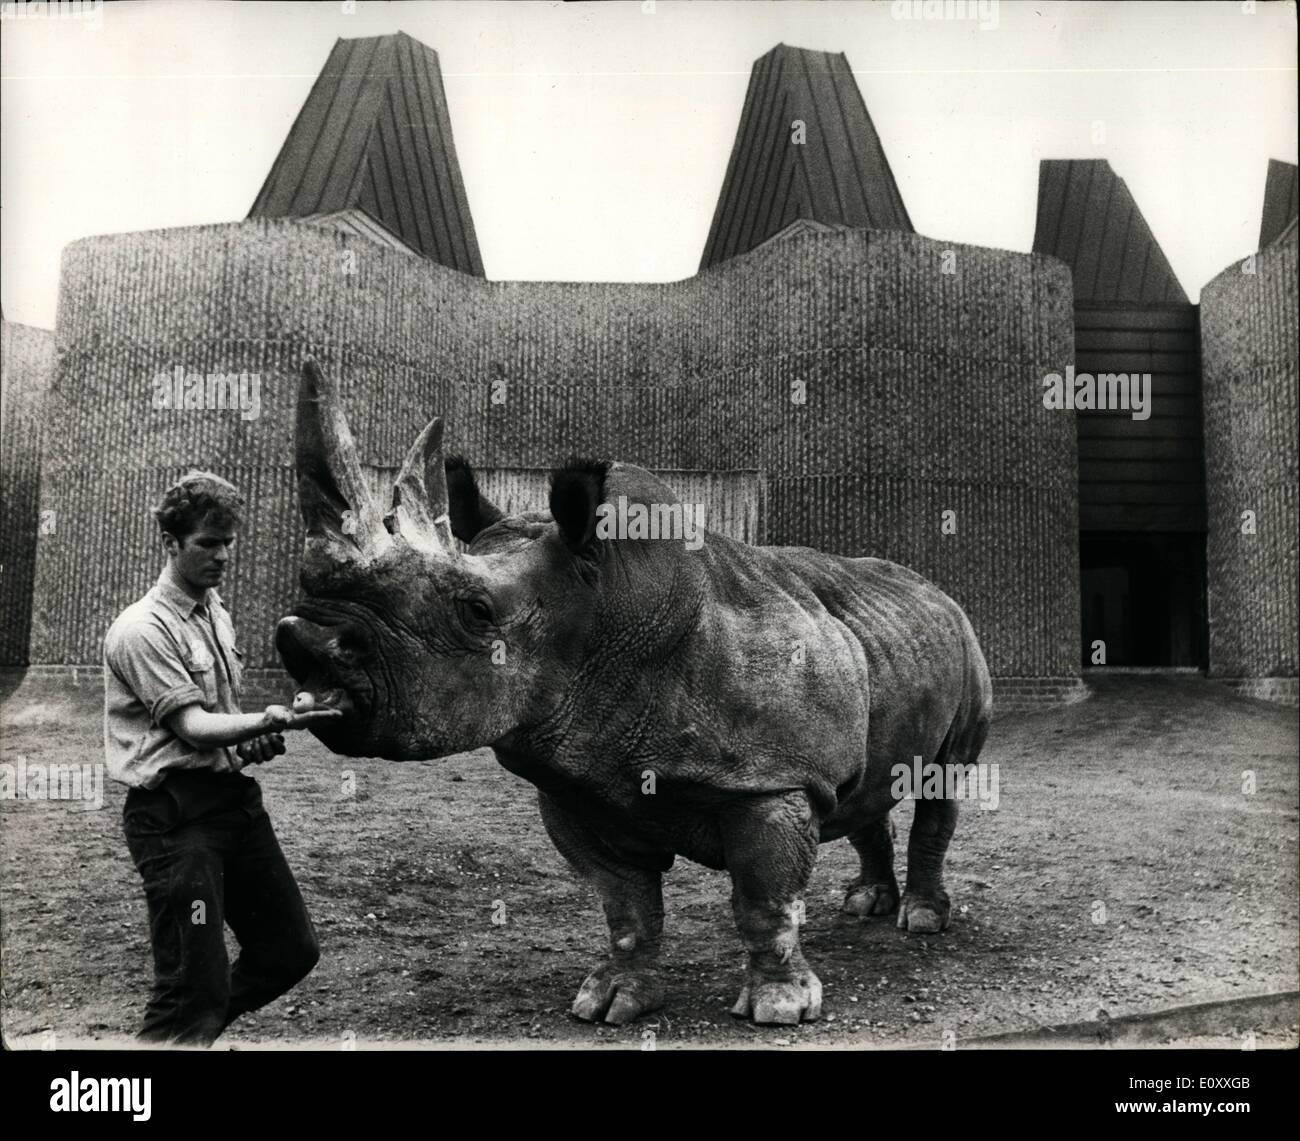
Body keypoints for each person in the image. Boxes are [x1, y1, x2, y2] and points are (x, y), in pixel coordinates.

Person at [103, 470, 341, 1046]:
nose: (223, 555)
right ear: (171, 543)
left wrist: (251, 743)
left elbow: (220, 734)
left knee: (289, 951)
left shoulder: (216, 614)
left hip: (232, 808)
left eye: (229, 541)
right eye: (208, 543)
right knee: (189, 986)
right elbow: (191, 725)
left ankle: (194, 1032)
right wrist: (265, 718)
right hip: (175, 824)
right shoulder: (141, 629)